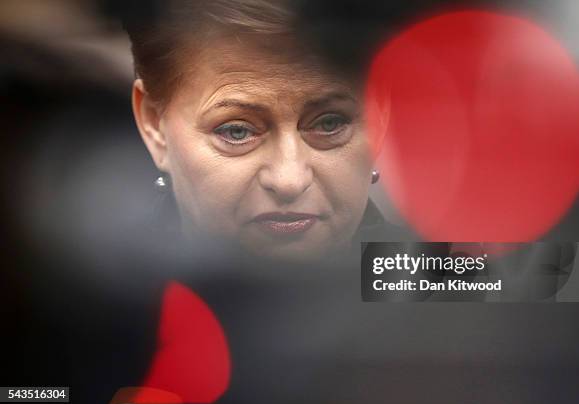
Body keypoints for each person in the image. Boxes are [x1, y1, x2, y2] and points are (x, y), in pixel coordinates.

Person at [126, 0, 406, 262]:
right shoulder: (96, 303)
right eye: (236, 131)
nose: (289, 181)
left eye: (329, 124)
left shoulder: (436, 287)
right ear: (154, 126)